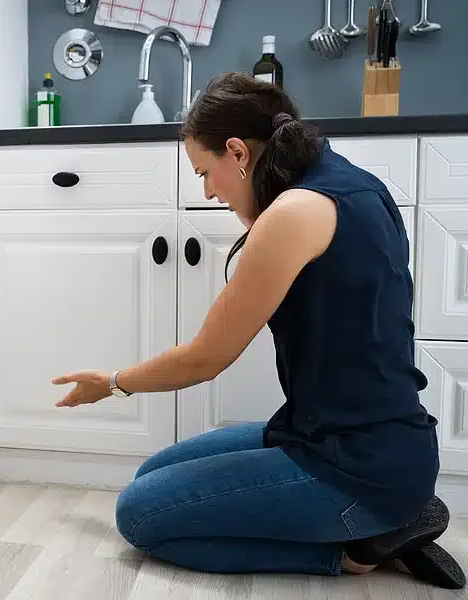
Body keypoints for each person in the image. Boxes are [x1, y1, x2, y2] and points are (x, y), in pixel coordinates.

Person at [51, 72, 465, 590]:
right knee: (151, 476)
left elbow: (208, 356)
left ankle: (358, 549)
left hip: (359, 468)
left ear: (237, 152)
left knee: (139, 514)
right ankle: (386, 518)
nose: (206, 191)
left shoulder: (293, 214)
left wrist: (112, 382)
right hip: (344, 438)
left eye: (205, 172)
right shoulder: (350, 182)